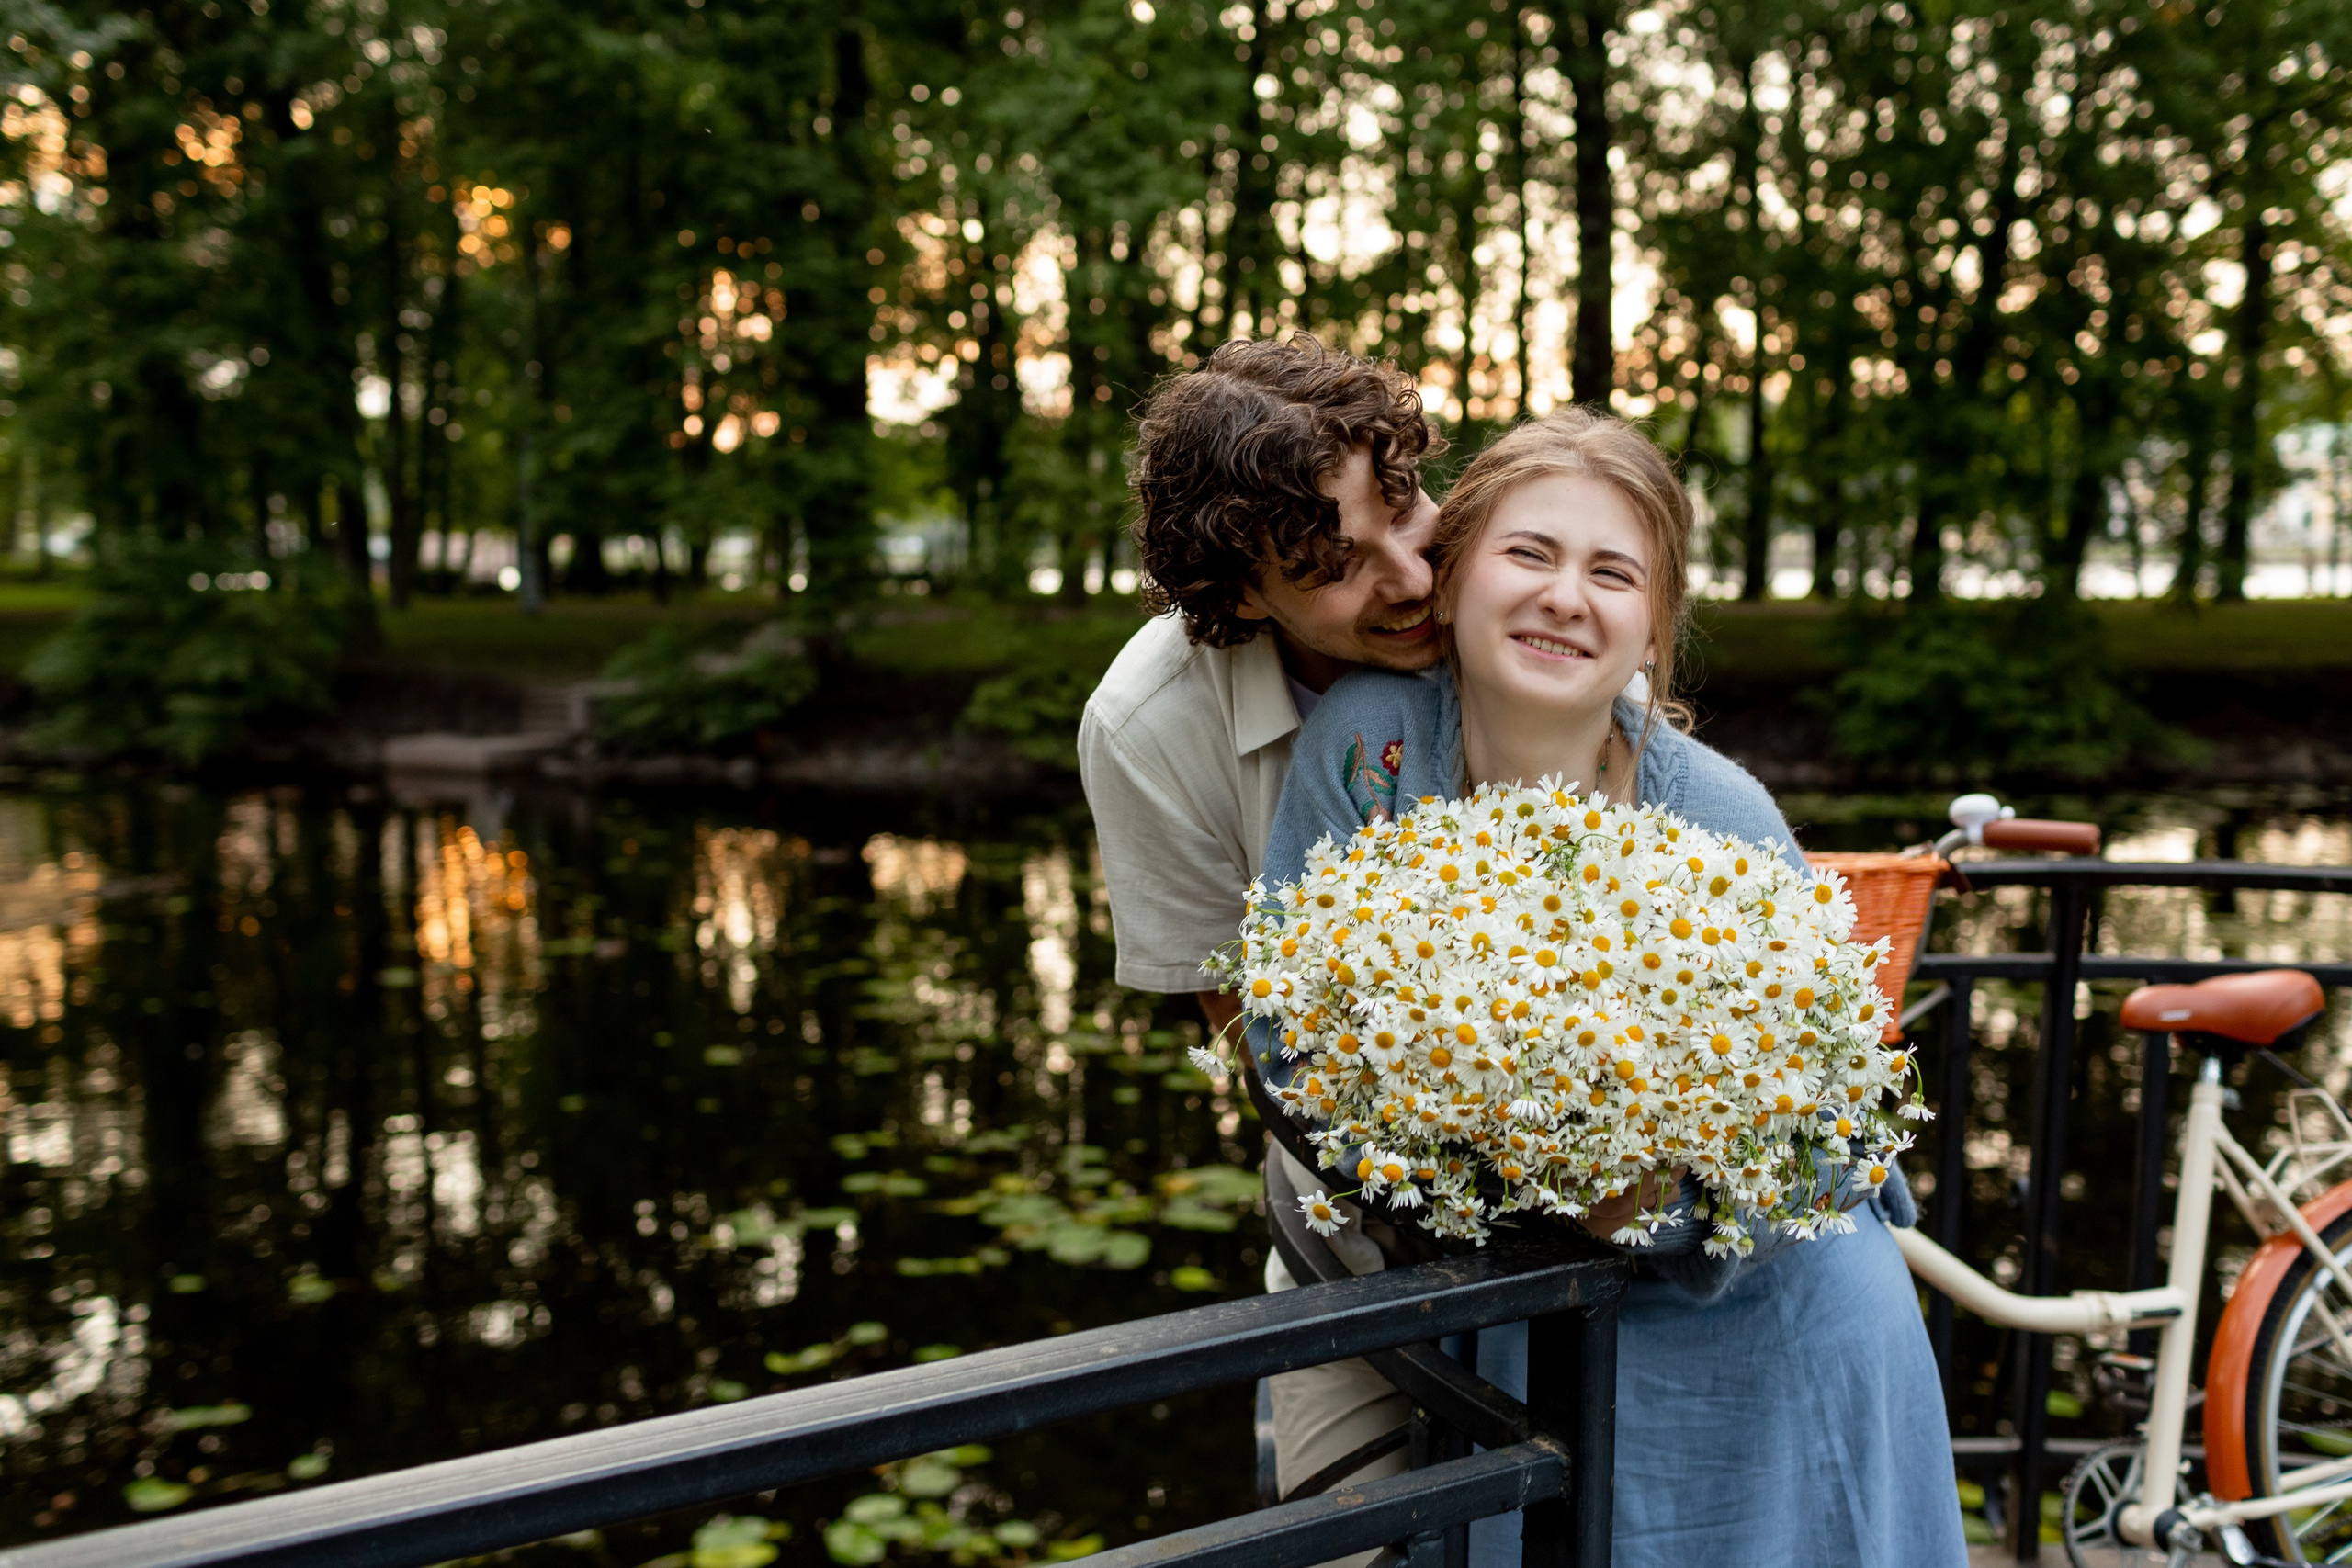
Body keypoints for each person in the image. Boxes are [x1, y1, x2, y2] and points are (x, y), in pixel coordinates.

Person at [1253, 407, 1968, 1567]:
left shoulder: (1719, 814)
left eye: (1611, 573)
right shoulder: (1369, 749)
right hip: (1532, 1309)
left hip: (1779, 1309)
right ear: (1452, 575)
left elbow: (1841, 1127)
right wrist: (1508, 1171)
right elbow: (1293, 1042)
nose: (1563, 597)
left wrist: (1652, 1199)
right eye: (1528, 554)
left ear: (1650, 629)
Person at [1078, 334, 1451, 1526]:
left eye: (1406, 509)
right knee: (1345, 1533)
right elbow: (1261, 1043)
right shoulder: (1147, 726)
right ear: (1241, 594)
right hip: (1351, 1216)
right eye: (1337, 563)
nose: (1412, 575)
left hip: (1602, 1213)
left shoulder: (1510, 601)